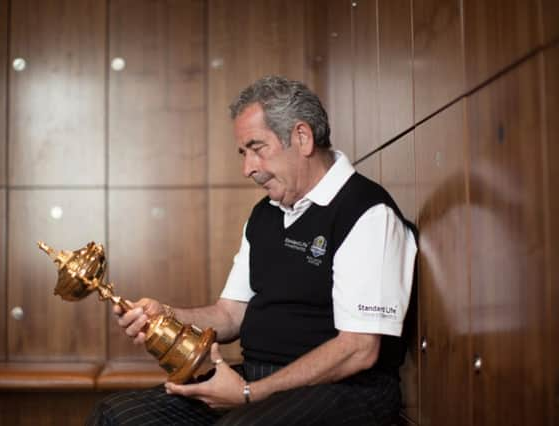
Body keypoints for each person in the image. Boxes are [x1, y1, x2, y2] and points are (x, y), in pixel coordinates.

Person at [87, 75, 417, 426]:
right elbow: (230, 316)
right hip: (259, 378)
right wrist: (165, 314)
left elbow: (359, 349)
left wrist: (249, 395)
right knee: (116, 417)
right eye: (243, 153)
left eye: (257, 148)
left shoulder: (367, 212)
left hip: (348, 388)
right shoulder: (264, 215)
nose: (248, 169)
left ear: (301, 138)